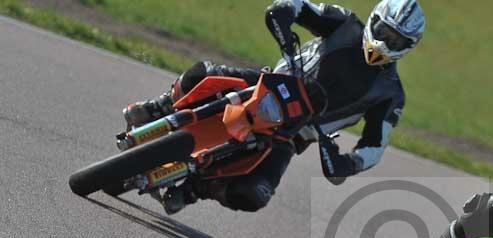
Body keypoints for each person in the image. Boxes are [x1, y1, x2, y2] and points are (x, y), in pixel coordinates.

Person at [123, 0, 425, 214]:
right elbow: (300, 6)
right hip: (271, 84)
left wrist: (348, 162)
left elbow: (375, 145)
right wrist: (283, 12)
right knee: (206, 71)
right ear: (375, 20)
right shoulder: (344, 22)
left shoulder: (391, 94)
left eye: (397, 40)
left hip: (295, 133)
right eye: (385, 32)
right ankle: (160, 107)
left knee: (256, 194)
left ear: (409, 46)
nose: (386, 42)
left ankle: (195, 190)